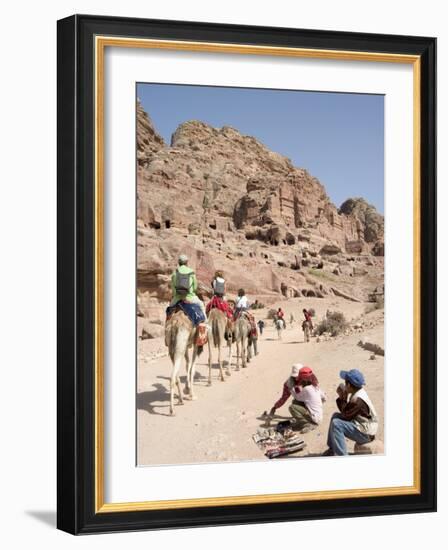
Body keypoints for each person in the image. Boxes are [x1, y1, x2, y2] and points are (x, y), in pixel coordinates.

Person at [323, 369, 379, 456]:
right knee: (335, 416)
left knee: (337, 424)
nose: (344, 386)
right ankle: (332, 448)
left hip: (366, 434)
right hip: (362, 425)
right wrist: (343, 398)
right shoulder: (358, 392)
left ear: (349, 385)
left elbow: (345, 415)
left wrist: (343, 397)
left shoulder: (357, 400)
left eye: (345, 384)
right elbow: (346, 412)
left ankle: (342, 456)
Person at [268, 364, 326, 433]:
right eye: (295, 377)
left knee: (292, 407)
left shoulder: (308, 385)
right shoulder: (290, 384)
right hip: (307, 404)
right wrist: (275, 407)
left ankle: (307, 423)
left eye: (298, 376)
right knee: (295, 402)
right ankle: (305, 418)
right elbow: (284, 398)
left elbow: (299, 396)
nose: (296, 378)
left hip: (312, 411)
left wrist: (313, 406)